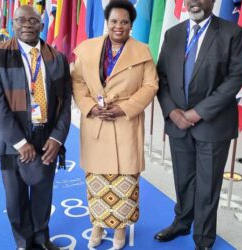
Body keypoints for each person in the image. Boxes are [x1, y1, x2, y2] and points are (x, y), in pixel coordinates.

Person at [154, 0, 242, 249]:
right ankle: (182, 222)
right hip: (177, 123)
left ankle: (203, 237)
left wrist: (197, 113)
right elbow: (160, 76)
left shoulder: (232, 32)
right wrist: (172, 111)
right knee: (183, 179)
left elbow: (235, 77)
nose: (194, 2)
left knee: (207, 185)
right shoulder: (172, 34)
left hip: (212, 124)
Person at [0, 5, 71, 250]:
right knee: (15, 196)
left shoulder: (57, 58)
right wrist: (19, 141)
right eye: (22, 20)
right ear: (13, 23)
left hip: (46, 136)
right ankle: (23, 241)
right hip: (11, 138)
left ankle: (41, 238)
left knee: (43, 192)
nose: (28, 24)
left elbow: (65, 103)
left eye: (34, 20)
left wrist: (57, 138)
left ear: (42, 25)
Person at [71, 1, 158, 249]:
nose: (118, 26)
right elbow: (77, 82)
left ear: (131, 24)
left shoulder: (143, 52)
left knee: (125, 182)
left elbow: (151, 85)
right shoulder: (87, 50)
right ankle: (97, 226)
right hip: (96, 123)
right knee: (96, 181)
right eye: (114, 21)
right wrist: (89, 106)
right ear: (106, 22)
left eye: (124, 21)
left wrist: (125, 108)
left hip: (125, 124)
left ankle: (120, 230)